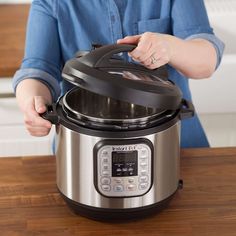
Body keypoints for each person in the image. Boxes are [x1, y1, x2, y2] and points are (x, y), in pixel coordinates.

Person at [13, 0, 224, 148]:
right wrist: (32, 103)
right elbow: (38, 70)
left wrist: (171, 47)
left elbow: (205, 62)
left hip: (176, 143)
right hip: (81, 148)